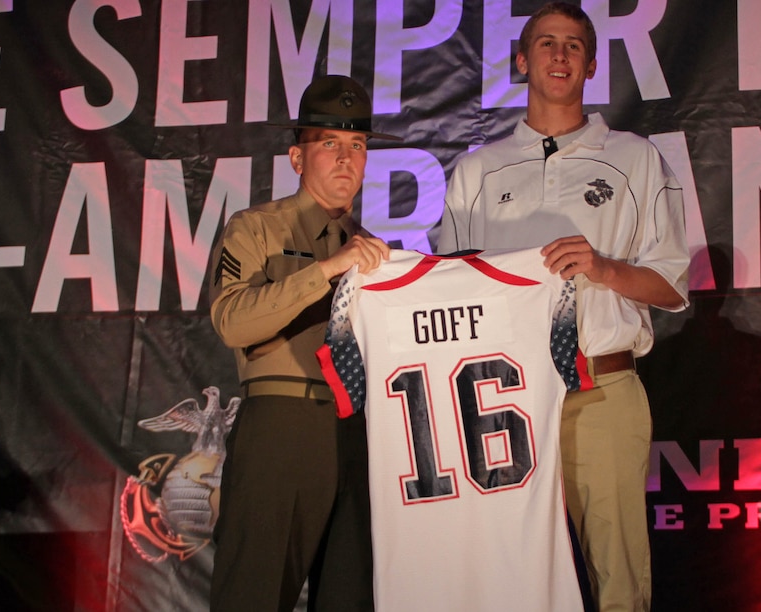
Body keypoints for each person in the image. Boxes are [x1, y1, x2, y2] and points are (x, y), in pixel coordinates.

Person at [437, 3, 690, 610]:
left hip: (602, 388)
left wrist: (602, 268)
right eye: (546, 44)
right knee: (506, 576)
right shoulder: (477, 169)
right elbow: (450, 290)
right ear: (522, 61)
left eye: (573, 46)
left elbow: (672, 286)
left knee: (617, 579)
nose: (559, 55)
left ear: (592, 64)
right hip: (504, 397)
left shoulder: (636, 158)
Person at [208, 74, 397, 611]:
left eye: (357, 146)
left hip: (361, 435)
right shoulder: (256, 228)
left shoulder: (380, 255)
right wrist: (329, 269)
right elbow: (232, 321)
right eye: (329, 144)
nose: (346, 159)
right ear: (296, 158)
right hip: (283, 426)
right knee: (255, 593)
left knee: (352, 595)